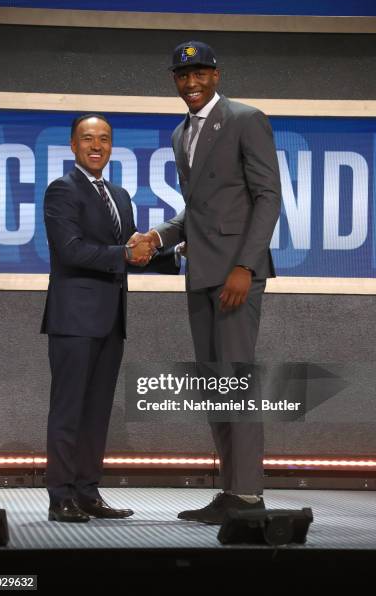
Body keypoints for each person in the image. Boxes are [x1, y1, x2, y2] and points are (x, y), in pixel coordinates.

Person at [131, 41, 281, 524]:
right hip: (201, 276)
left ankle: (250, 496)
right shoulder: (180, 134)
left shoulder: (244, 119)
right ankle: (231, 491)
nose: (191, 83)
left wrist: (246, 267)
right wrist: (158, 235)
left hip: (236, 275)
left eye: (199, 73)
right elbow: (195, 212)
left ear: (216, 74)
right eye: (181, 75)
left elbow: (267, 197)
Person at [41, 113, 179, 522]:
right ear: (72, 145)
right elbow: (71, 251)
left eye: (103, 138)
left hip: (110, 320)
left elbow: (132, 255)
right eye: (88, 138)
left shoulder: (119, 195)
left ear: (111, 145)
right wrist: (124, 253)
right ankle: (60, 496)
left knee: (98, 410)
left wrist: (174, 256)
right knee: (68, 410)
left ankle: (87, 492)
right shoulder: (61, 191)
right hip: (73, 319)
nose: (96, 145)